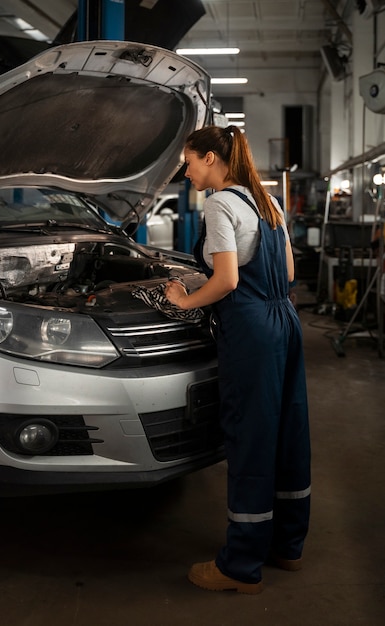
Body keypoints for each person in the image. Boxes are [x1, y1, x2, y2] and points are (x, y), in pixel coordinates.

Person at [165, 125, 311, 594]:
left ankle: (240, 565)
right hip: (284, 320)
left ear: (211, 158)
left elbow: (226, 280)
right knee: (288, 432)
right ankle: (287, 546)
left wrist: (184, 300)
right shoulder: (266, 202)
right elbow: (287, 271)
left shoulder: (221, 204)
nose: (186, 173)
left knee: (250, 437)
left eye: (189, 162)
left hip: (250, 329)